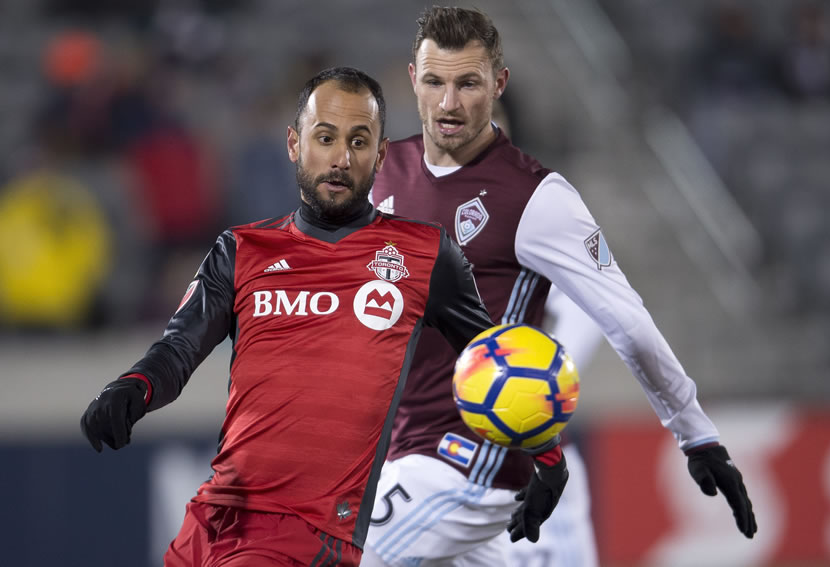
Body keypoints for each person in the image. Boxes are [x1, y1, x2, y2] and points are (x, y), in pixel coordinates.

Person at [79, 66, 568, 567]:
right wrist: (134, 387)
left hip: (308, 535)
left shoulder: (424, 255)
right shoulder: (242, 249)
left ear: (379, 156)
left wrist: (549, 466)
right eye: (325, 137)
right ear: (294, 144)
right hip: (211, 519)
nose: (340, 158)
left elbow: (496, 366)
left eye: (359, 142)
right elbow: (178, 350)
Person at [362, 7, 757, 567]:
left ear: (498, 83)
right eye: (435, 82)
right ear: (411, 80)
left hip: (472, 464)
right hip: (404, 453)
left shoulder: (537, 198)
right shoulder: (382, 172)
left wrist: (695, 433)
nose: (449, 103)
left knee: (335, 552)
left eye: (468, 83)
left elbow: (627, 322)